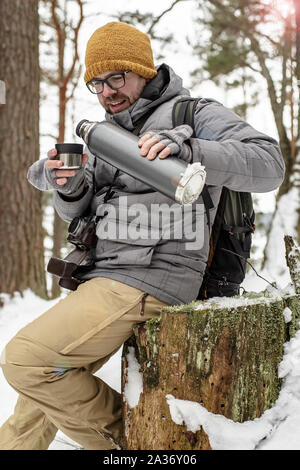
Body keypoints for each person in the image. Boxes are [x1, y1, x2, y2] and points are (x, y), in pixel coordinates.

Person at [0, 22, 284, 450]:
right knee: (36, 401)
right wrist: (69, 186)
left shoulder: (194, 114)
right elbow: (77, 212)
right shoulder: (103, 134)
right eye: (97, 83)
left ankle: (147, 446)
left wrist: (189, 150)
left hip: (152, 275)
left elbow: (269, 164)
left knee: (26, 362)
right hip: (103, 275)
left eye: (118, 77)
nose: (108, 91)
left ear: (145, 71)